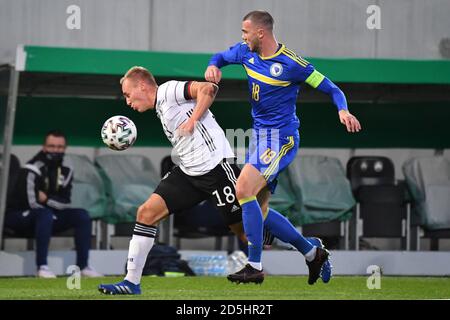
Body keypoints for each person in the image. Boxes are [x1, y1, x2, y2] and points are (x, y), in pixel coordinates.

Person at [98, 66, 330, 295]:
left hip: (216, 170)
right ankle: (131, 282)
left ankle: (310, 250)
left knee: (249, 229)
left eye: (128, 94)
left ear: (141, 85)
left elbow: (208, 88)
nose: (127, 101)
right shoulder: (161, 106)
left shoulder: (168, 91)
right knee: (146, 213)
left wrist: (192, 121)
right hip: (188, 173)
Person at [205, 10, 361, 285]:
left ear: (260, 33)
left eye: (245, 32)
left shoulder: (292, 64)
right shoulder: (245, 53)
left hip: (281, 138)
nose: (242, 37)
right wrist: (213, 65)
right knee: (258, 212)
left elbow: (332, 89)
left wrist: (343, 111)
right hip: (258, 138)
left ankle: (253, 265)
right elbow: (219, 56)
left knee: (242, 190)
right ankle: (312, 253)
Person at [5, 130, 103, 278]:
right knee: (45, 214)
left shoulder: (66, 171)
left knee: (82, 215)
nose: (56, 150)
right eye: (51, 146)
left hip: (48, 216)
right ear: (44, 147)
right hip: (19, 217)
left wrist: (46, 200)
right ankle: (42, 267)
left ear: (65, 148)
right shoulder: (31, 169)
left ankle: (83, 266)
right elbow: (30, 203)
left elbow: (65, 202)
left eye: (60, 147)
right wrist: (50, 208)